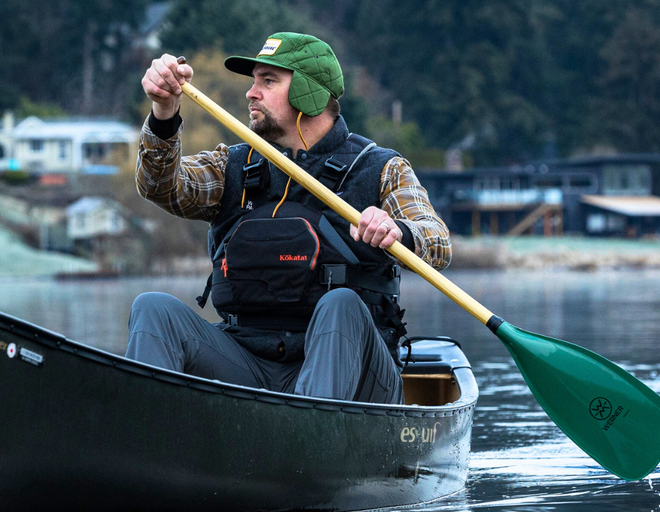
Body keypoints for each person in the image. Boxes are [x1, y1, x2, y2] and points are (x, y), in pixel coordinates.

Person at [127, 32, 451, 405]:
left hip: (358, 376)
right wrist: (164, 114)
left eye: (268, 81)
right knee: (152, 308)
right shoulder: (231, 165)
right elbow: (161, 187)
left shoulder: (382, 169)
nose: (251, 93)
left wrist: (400, 230)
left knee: (341, 305)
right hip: (246, 361)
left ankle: (310, 442)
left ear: (308, 94)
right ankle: (145, 431)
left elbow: (437, 243)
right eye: (254, 81)